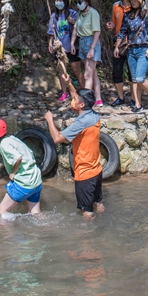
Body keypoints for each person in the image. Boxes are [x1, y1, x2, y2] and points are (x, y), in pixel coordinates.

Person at [43, 82, 104, 219]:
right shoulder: (93, 115)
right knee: (98, 203)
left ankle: (88, 238)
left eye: (75, 99)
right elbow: (76, 96)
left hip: (84, 174)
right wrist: (69, 82)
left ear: (81, 105)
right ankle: (102, 227)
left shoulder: (81, 123)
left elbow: (57, 138)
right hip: (97, 170)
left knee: (87, 212)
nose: (73, 101)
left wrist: (50, 120)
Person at [0, 118, 43, 217]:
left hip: (24, 184)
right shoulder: (12, 139)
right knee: (35, 214)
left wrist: (13, 173)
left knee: (2, 210)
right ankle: (46, 230)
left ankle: (9, 232)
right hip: (36, 180)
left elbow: (18, 158)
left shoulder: (4, 144)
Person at [114, 0, 148, 112]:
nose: (133, 1)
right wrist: (117, 46)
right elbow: (123, 32)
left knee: (140, 78)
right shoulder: (128, 15)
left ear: (142, 0)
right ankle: (138, 104)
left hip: (143, 49)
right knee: (134, 79)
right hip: (131, 50)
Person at [71, 0, 104, 107]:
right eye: (77, 1)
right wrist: (72, 43)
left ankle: (86, 101)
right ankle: (98, 99)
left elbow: (97, 31)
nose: (78, 4)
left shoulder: (93, 13)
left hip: (91, 42)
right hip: (82, 42)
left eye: (80, 1)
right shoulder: (80, 13)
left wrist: (92, 48)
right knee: (93, 72)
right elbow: (75, 28)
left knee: (87, 75)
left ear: (87, 1)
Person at [47, 0, 81, 102]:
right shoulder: (54, 16)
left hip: (72, 47)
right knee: (62, 71)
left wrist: (72, 22)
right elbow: (52, 32)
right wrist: (50, 43)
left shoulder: (73, 13)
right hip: (60, 48)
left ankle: (84, 90)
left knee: (76, 70)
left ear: (65, 1)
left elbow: (80, 28)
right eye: (56, 0)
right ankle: (64, 93)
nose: (58, 2)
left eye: (60, 0)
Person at [105, 0, 135, 107]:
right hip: (117, 42)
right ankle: (120, 97)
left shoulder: (135, 7)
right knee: (117, 71)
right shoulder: (116, 6)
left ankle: (134, 98)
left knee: (132, 72)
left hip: (132, 43)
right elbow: (113, 22)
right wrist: (111, 25)